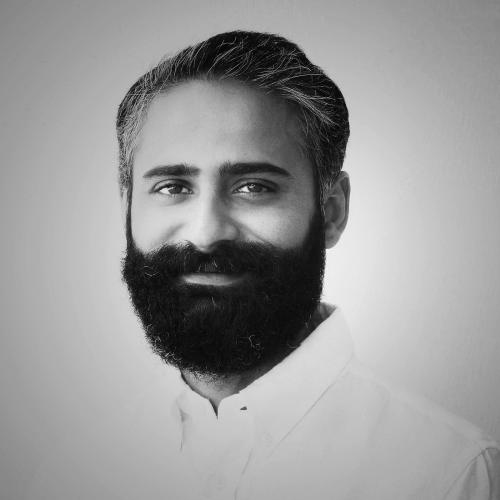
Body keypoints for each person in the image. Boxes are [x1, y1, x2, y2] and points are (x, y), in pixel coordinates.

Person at [114, 30, 500, 499]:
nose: (207, 232)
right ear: (128, 208)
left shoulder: (455, 477)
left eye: (254, 187)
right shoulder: (75, 470)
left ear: (331, 211)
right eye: (172, 187)